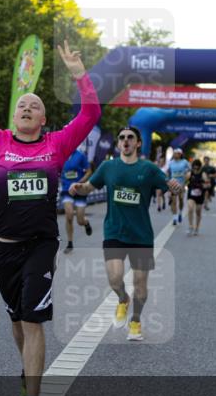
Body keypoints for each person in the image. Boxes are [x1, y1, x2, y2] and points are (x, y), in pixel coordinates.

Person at [0, 30, 99, 396]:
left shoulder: (57, 144)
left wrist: (79, 75)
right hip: (6, 249)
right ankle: (27, 372)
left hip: (40, 245)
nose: (27, 108)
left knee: (33, 319)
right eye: (22, 104)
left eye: (34, 105)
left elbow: (90, 115)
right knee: (17, 320)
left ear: (43, 118)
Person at [69, 126, 180, 341]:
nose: (125, 141)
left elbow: (171, 186)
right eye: (122, 138)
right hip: (114, 231)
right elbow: (89, 187)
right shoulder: (108, 167)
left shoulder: (148, 169)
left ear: (138, 143)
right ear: (118, 144)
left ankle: (136, 321)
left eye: (130, 138)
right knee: (114, 278)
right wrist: (78, 187)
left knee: (140, 283)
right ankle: (122, 299)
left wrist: (176, 187)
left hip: (141, 235)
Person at [60, 145, 92, 253]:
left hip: (79, 190)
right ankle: (70, 243)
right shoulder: (61, 155)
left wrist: (80, 182)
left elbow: (88, 171)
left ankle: (86, 222)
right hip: (66, 190)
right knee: (69, 215)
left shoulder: (80, 156)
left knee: (79, 220)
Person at [166, 148, 190, 226]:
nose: (175, 154)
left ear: (180, 154)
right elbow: (168, 172)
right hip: (173, 183)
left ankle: (180, 212)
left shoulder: (184, 162)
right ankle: (175, 218)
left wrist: (186, 178)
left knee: (181, 199)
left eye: (176, 153)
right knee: (173, 201)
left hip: (181, 183)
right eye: (174, 153)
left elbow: (190, 171)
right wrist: (167, 181)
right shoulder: (171, 163)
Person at [186, 159, 207, 235]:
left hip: (200, 195)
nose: (195, 169)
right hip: (191, 194)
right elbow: (185, 180)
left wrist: (205, 184)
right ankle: (190, 226)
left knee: (198, 212)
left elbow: (207, 182)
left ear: (200, 167)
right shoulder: (190, 173)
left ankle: (197, 228)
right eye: (194, 167)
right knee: (190, 208)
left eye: (197, 167)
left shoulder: (203, 174)